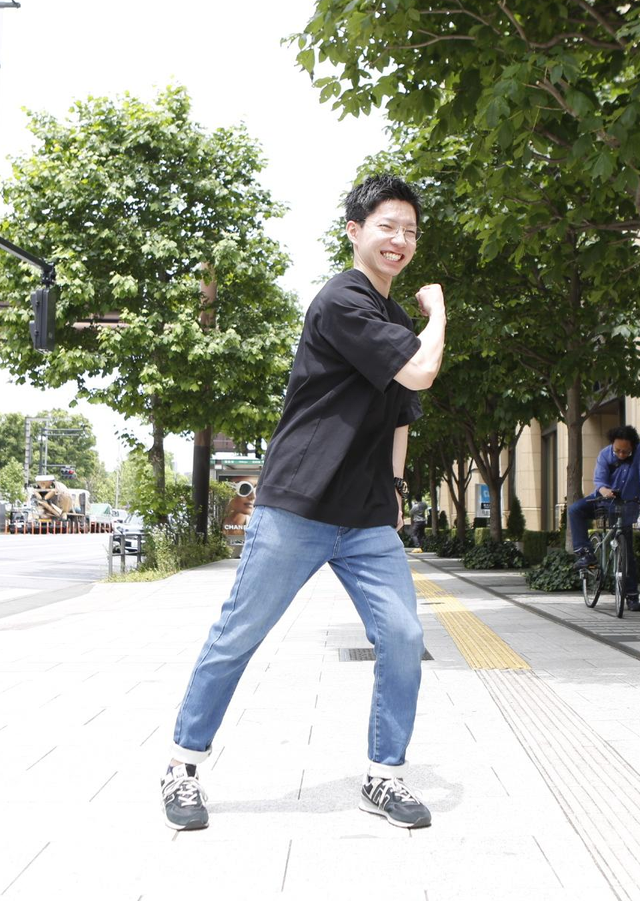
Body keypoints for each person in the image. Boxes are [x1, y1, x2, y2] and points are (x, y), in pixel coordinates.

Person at [161, 175, 447, 832]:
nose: (400, 240)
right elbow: (421, 372)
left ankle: (383, 775)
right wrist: (439, 314)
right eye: (387, 226)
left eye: (410, 230)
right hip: (299, 504)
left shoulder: (395, 321)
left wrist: (396, 488)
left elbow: (402, 415)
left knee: (403, 636)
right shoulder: (342, 301)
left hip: (366, 516)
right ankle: (182, 766)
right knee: (239, 634)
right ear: (355, 231)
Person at [567, 425, 640, 612]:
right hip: (604, 501)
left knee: (627, 550)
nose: (621, 454)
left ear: (633, 446)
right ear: (612, 445)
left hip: (627, 505)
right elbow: (599, 480)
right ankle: (586, 553)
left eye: (626, 451)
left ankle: (632, 596)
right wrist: (604, 490)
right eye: (617, 451)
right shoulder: (604, 454)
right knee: (575, 510)